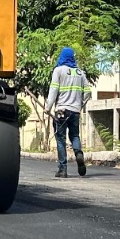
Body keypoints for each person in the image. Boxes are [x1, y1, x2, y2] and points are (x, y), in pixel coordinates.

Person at [45, 46, 90, 178]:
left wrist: (48, 107)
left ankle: (62, 169)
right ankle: (78, 153)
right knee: (75, 136)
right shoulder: (80, 73)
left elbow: (53, 91)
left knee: (60, 139)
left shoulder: (58, 70)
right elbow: (87, 92)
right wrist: (80, 105)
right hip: (75, 111)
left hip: (61, 111)